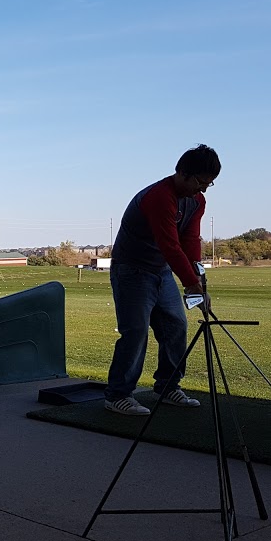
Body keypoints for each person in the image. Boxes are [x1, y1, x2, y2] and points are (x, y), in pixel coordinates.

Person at [104, 144, 220, 416]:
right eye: (201, 182)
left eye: (209, 184)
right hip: (131, 271)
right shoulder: (159, 196)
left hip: (161, 271)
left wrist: (199, 279)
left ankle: (167, 387)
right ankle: (117, 395)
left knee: (176, 326)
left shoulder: (197, 201)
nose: (203, 189)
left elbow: (190, 240)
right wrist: (191, 284)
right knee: (135, 332)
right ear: (183, 173)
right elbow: (169, 245)